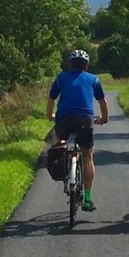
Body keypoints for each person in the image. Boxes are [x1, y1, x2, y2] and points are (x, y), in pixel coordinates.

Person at [46, 49, 109, 212]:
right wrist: (104, 118)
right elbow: (103, 102)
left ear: (70, 64)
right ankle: (87, 199)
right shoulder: (93, 79)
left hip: (64, 119)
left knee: (57, 141)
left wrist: (49, 115)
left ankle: (61, 164)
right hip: (85, 120)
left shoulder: (61, 78)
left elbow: (51, 98)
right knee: (87, 157)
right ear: (86, 65)